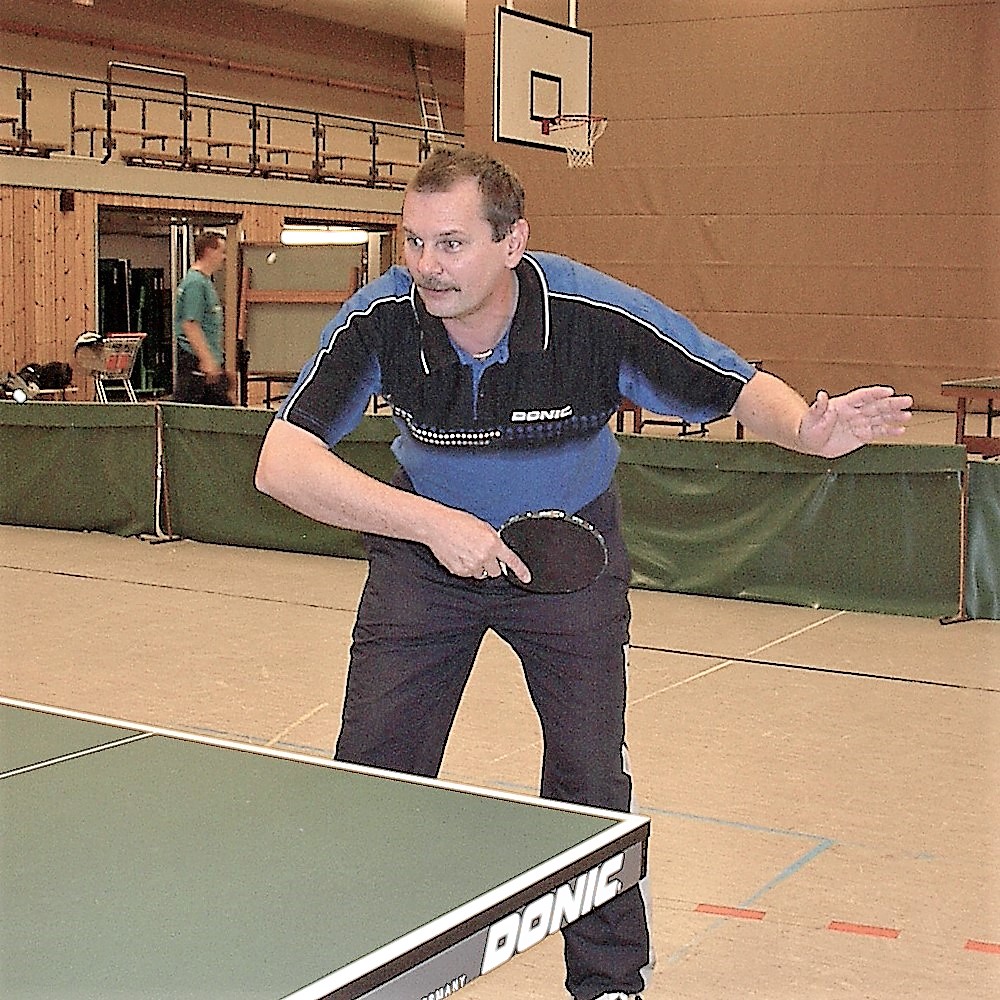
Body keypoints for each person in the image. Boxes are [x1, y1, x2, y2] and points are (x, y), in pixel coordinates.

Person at [254, 149, 912, 1000]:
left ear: (512, 242)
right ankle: (365, 970)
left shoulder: (591, 315)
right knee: (373, 774)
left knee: (590, 781)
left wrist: (807, 431)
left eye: (451, 244)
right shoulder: (380, 319)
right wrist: (432, 526)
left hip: (569, 560)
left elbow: (730, 382)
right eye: (412, 242)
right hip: (427, 560)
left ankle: (609, 983)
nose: (426, 266)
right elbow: (281, 463)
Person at [173, 232, 232, 404]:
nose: (224, 257)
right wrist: (207, 361)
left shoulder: (205, 282)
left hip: (206, 362)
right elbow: (190, 324)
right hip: (196, 363)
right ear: (208, 251)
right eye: (222, 252)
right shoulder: (195, 284)